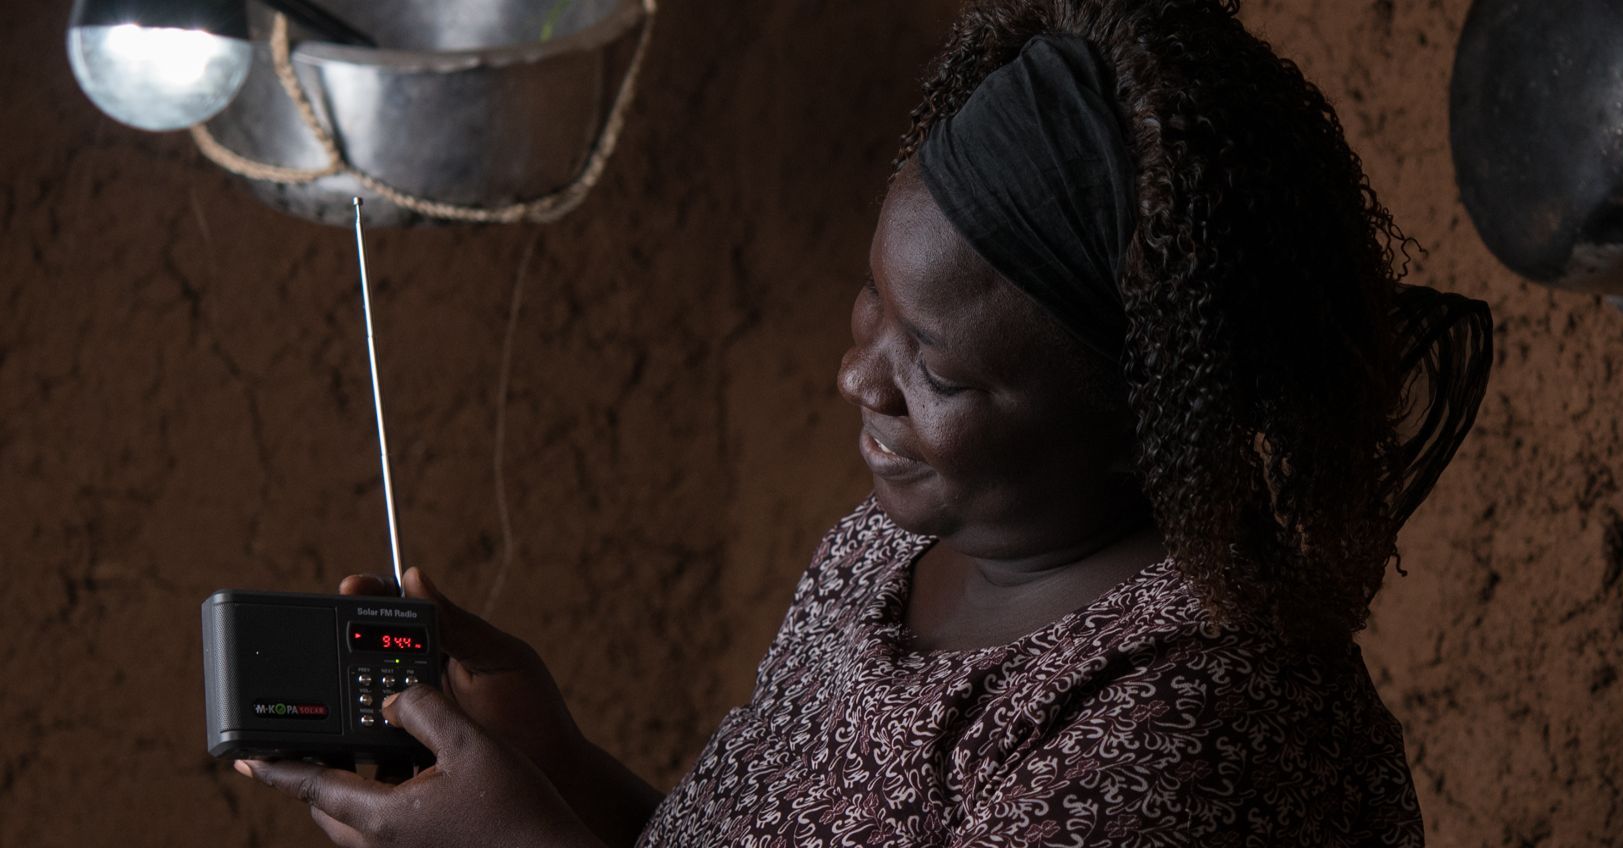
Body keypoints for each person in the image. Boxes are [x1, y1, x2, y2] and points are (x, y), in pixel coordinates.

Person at [237, 1, 1492, 845]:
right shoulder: (888, 555)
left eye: (933, 365)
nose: (858, 378)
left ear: (1137, 418)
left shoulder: (1195, 731)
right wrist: (557, 765)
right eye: (871, 302)